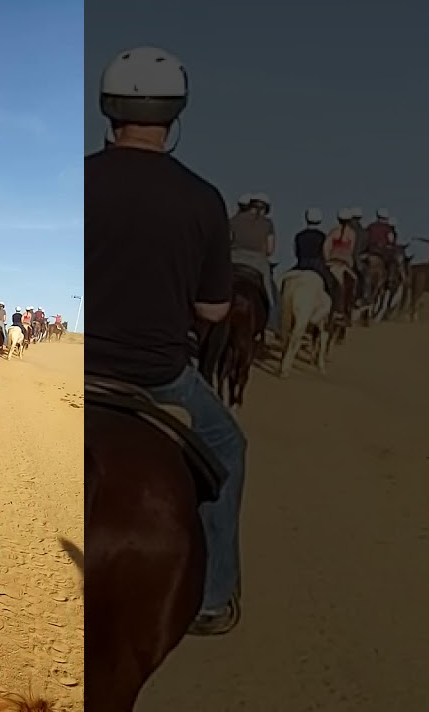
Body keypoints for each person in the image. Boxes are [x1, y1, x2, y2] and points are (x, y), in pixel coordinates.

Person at [87, 45, 248, 635]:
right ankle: (214, 595)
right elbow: (214, 308)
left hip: (83, 366)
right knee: (228, 446)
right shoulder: (202, 198)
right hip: (158, 377)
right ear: (174, 115)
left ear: (108, 109)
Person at [228, 191, 279, 336]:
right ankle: (270, 327)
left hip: (233, 259)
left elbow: (227, 241)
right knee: (271, 295)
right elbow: (269, 250)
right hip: (257, 262)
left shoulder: (233, 220)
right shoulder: (267, 223)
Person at [295, 208, 341, 303]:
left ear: (306, 219)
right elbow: (325, 253)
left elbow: (296, 252)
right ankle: (334, 306)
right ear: (319, 220)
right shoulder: (322, 236)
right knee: (334, 284)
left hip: (301, 265)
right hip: (317, 266)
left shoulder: (299, 235)